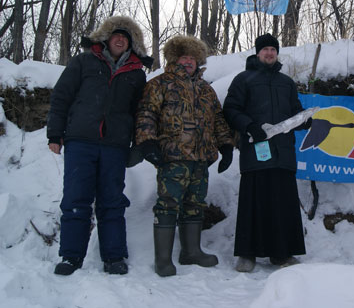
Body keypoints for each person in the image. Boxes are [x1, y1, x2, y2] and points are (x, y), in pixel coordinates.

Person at [47, 16, 152, 276]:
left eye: (125, 37)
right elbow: (62, 96)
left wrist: (137, 144)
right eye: (116, 35)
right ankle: (71, 256)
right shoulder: (83, 62)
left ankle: (114, 257)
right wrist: (54, 134)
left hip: (114, 146)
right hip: (80, 140)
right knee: (75, 198)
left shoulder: (137, 74)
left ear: (131, 44)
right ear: (106, 38)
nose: (120, 39)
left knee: (112, 202)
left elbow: (140, 112)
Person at [135, 35, 234, 277]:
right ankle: (163, 259)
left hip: (201, 158)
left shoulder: (205, 89)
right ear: (174, 59)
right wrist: (147, 142)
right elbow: (147, 113)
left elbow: (218, 120)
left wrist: (227, 147)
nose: (188, 61)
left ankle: (191, 252)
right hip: (172, 157)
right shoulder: (160, 84)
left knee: (194, 206)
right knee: (168, 205)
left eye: (193, 58)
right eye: (184, 57)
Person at [223, 33, 310, 273]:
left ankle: (281, 253)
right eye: (265, 50)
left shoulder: (286, 82)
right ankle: (247, 254)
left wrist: (303, 121)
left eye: (273, 49)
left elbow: (295, 110)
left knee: (282, 203)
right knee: (254, 202)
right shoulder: (244, 79)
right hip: (255, 152)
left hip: (283, 154)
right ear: (257, 52)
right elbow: (230, 109)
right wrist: (249, 126)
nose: (269, 53)